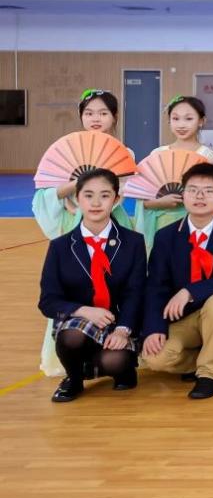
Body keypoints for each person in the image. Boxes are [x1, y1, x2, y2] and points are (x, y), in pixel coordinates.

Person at [141, 163, 213, 400]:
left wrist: (189, 291)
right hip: (184, 317)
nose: (200, 196)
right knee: (154, 358)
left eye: (209, 191)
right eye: (193, 190)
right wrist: (154, 328)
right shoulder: (166, 236)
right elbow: (156, 286)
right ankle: (199, 361)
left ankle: (210, 375)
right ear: (183, 195)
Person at [39, 169, 146, 402]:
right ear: (77, 198)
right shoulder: (59, 246)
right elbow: (48, 301)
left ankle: (119, 366)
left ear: (116, 199)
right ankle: (74, 378)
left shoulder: (133, 242)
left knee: (116, 361)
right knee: (71, 337)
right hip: (79, 322)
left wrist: (123, 329)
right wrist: (83, 311)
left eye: (105, 195)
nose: (96, 203)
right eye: (88, 195)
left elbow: (135, 292)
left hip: (117, 321)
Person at [32, 89, 133, 251]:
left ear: (114, 117)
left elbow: (118, 194)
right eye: (89, 113)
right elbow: (49, 193)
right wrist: (78, 185)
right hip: (71, 220)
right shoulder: (66, 149)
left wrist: (82, 209)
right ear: (81, 116)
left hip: (111, 220)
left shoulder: (124, 154)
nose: (95, 119)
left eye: (103, 113)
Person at [134, 95, 213, 249]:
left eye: (188, 119)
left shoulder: (207, 155)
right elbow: (142, 196)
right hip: (159, 224)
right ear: (169, 121)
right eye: (175, 119)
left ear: (201, 121)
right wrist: (159, 203)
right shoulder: (158, 153)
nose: (181, 125)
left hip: (195, 224)